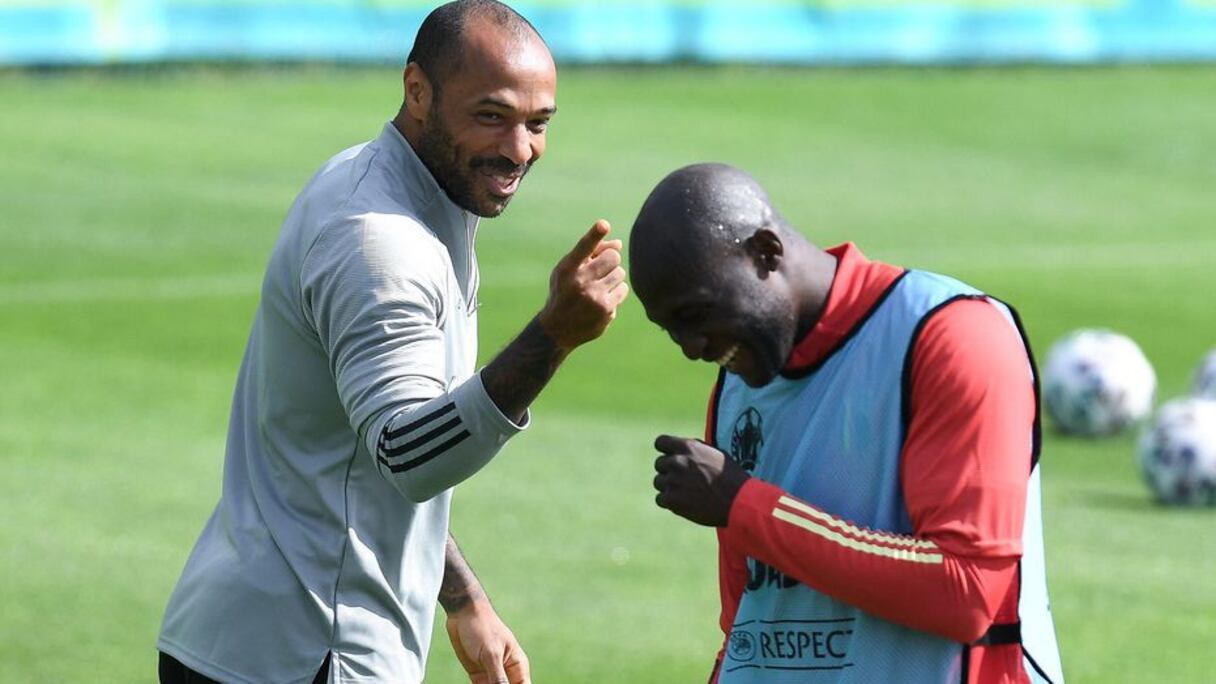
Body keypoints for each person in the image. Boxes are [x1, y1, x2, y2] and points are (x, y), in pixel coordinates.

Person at [157, 2, 629, 683]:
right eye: (492, 115)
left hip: (251, 641)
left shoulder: (393, 189)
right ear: (417, 91)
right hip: (310, 651)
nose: (519, 149)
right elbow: (407, 453)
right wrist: (553, 336)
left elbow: (361, 455)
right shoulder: (380, 241)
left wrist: (463, 598)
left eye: (538, 124)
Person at [630, 163, 1064, 683]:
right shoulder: (737, 386)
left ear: (767, 253)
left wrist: (744, 505)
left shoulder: (950, 335)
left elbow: (966, 589)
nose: (692, 348)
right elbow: (748, 623)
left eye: (696, 314)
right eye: (671, 330)